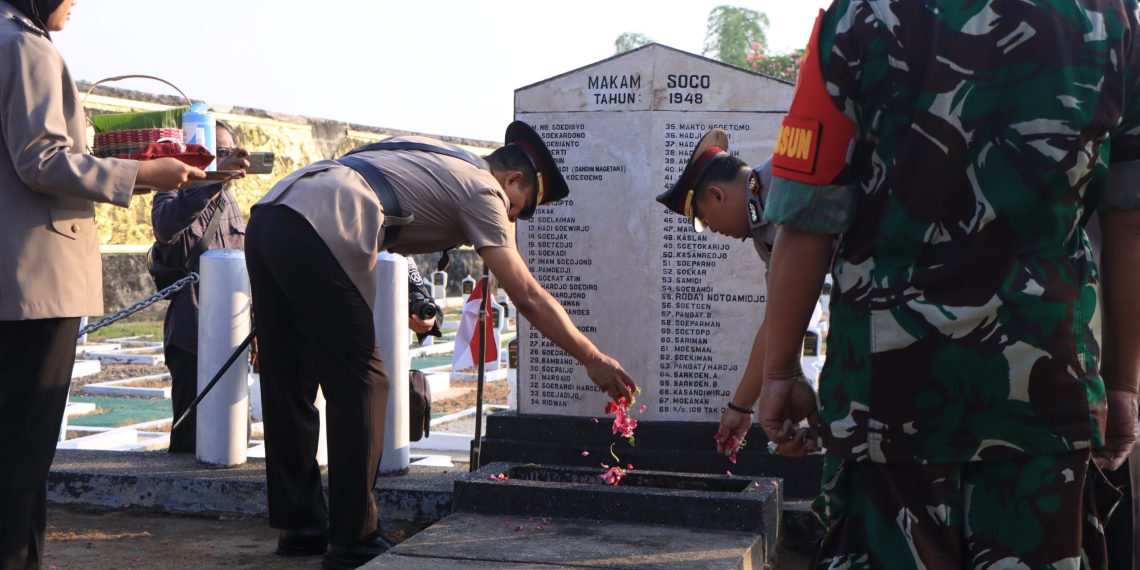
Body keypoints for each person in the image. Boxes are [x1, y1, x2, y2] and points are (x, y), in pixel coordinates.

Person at [755, 2, 1140, 568]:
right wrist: (1124, 383)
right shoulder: (1113, 18)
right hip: (1045, 398)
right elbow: (1129, 220)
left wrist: (780, 373)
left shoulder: (858, 15)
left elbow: (807, 222)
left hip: (888, 403)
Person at [245, 120, 636, 569]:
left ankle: (301, 527)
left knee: (288, 378)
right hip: (324, 225)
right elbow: (526, 295)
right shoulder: (485, 191)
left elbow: (385, 198)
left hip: (272, 213)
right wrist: (591, 357)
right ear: (512, 180)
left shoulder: (437, 154)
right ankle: (354, 537)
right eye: (519, 208)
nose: (510, 219)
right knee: (364, 383)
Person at [0, 0, 205, 566]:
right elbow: (42, 160)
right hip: (37, 278)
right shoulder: (26, 46)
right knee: (22, 455)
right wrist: (142, 173)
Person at [653, 130, 822, 456]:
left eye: (705, 220)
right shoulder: (763, 234)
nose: (713, 230)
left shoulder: (786, 182)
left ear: (717, 195)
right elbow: (777, 320)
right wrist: (741, 407)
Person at [151, 121, 251, 454]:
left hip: (233, 334)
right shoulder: (171, 192)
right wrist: (209, 182)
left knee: (232, 435)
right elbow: (166, 228)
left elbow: (243, 266)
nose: (227, 158)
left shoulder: (229, 201)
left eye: (231, 152)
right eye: (219, 152)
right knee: (190, 437)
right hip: (192, 333)